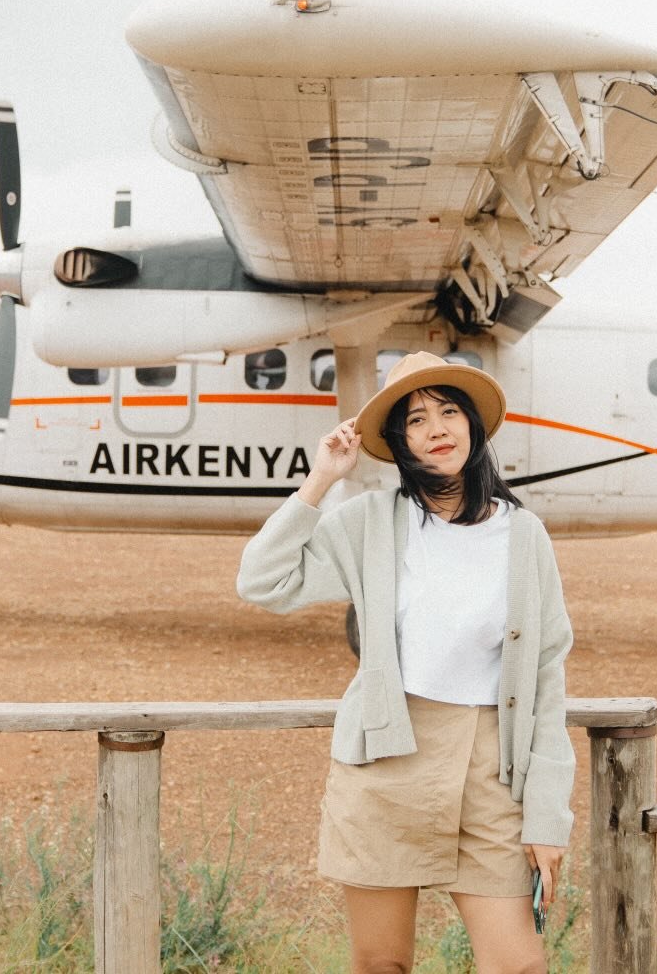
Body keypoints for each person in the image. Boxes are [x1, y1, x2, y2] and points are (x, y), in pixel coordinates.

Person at [237, 351, 574, 973]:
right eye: (416, 420)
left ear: (472, 424)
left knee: (519, 965)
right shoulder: (369, 522)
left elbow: (546, 676)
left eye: (448, 412)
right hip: (386, 761)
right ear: (398, 441)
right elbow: (263, 581)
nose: (436, 429)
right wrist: (321, 480)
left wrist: (547, 817)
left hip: (493, 771)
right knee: (381, 964)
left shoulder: (524, 534)